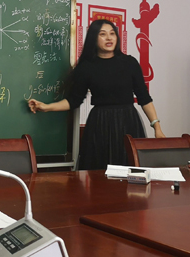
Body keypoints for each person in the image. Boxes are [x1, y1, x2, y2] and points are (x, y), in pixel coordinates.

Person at [28, 19, 165, 170]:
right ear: (94, 38)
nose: (109, 38)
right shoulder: (86, 67)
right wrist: (46, 107)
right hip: (100, 124)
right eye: (103, 34)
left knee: (131, 171)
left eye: (112, 34)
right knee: (100, 172)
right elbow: (73, 101)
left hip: (128, 122)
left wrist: (157, 128)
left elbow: (144, 98)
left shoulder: (130, 63)